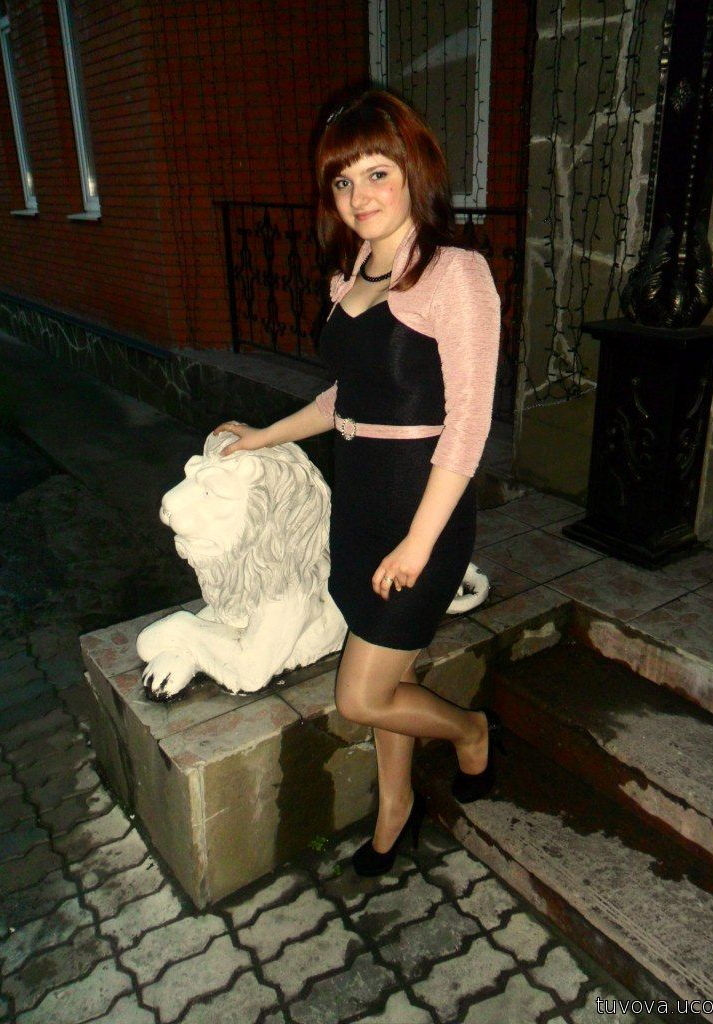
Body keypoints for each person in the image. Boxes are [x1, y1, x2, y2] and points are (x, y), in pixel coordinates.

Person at [213, 88, 504, 878]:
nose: (359, 197)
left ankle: (472, 732)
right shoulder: (351, 274)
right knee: (390, 674)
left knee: (362, 695)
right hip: (360, 505)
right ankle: (395, 811)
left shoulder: (455, 274)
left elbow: (470, 424)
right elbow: (346, 398)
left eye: (377, 174)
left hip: (421, 510)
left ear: (415, 173)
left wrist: (418, 543)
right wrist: (263, 436)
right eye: (343, 181)